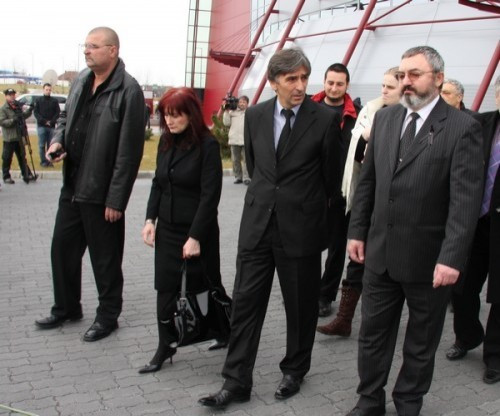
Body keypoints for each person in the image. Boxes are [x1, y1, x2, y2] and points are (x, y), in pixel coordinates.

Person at [199, 48, 342, 409]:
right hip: (257, 226)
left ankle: (295, 370)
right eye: (292, 79)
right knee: (245, 304)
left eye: (304, 78)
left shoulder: (324, 119)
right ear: (274, 82)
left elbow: (331, 179)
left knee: (301, 306)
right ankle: (236, 381)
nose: (300, 86)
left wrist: (311, 215)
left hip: (301, 229)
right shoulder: (255, 115)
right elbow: (256, 166)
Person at [345, 46, 483, 416]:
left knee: (421, 342)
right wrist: (357, 232)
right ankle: (369, 400)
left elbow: (465, 202)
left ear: (438, 78)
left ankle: (408, 402)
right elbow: (368, 183)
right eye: (402, 74)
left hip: (429, 261)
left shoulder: (463, 128)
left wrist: (451, 258)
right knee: (372, 336)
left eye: (415, 74)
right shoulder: (386, 118)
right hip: (380, 254)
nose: (406, 81)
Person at [34, 27, 146, 342]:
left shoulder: (129, 90)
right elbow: (65, 119)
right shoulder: (82, 80)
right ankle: (67, 308)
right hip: (72, 185)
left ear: (113, 50)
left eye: (94, 46)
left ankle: (108, 317)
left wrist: (116, 200)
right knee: (62, 249)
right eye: (85, 45)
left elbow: (129, 153)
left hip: (101, 192)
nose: (87, 50)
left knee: (105, 259)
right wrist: (58, 141)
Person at [139, 87, 228, 373]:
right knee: (165, 288)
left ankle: (226, 330)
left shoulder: (207, 145)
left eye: (176, 115)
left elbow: (210, 195)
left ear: (191, 115)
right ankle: (165, 345)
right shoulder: (166, 141)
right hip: (168, 230)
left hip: (198, 231)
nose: (170, 121)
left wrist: (195, 237)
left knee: (209, 285)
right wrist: (150, 220)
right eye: (166, 115)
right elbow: (158, 183)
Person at [317, 66, 402, 337]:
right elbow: (357, 159)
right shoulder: (369, 113)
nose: (384, 90)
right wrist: (366, 139)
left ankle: (383, 320)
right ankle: (344, 319)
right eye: (383, 85)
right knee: (355, 256)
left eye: (390, 86)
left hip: (395, 205)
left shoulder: (405, 119)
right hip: (362, 195)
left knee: (385, 263)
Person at [445, 75, 500, 385]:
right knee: (461, 287)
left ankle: (495, 356)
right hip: (475, 222)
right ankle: (467, 337)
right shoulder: (480, 123)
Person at [311, 63, 361, 317]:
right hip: (311, 191)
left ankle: (325, 295)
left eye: (339, 83)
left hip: (341, 193)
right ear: (324, 82)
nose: (334, 88)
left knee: (336, 248)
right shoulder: (308, 109)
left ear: (347, 85)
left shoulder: (357, 115)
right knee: (307, 245)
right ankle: (306, 291)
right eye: (330, 82)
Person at [0, 88, 34, 184]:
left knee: (22, 157)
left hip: (19, 136)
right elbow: (2, 122)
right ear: (6, 96)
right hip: (9, 138)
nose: (12, 97)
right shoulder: (3, 109)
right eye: (10, 95)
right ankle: (6, 176)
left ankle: (26, 174)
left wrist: (29, 110)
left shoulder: (17, 106)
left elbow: (22, 116)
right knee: (7, 158)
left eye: (13, 95)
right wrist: (13, 120)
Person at [223, 95, 250, 185]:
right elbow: (226, 123)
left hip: (246, 140)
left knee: (246, 160)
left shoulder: (250, 113)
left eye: (244, 102)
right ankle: (238, 177)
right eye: (240, 102)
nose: (242, 104)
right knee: (235, 160)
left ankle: (246, 178)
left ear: (247, 103)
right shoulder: (232, 112)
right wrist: (226, 112)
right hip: (234, 140)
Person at [34, 83, 60, 167]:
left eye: (49, 90)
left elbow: (57, 112)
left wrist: (52, 121)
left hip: (51, 126)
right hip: (41, 126)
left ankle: (50, 161)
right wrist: (44, 121)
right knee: (42, 145)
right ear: (43, 90)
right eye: (46, 90)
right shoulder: (38, 100)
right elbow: (36, 113)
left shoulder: (54, 101)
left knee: (51, 145)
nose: (48, 91)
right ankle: (43, 162)